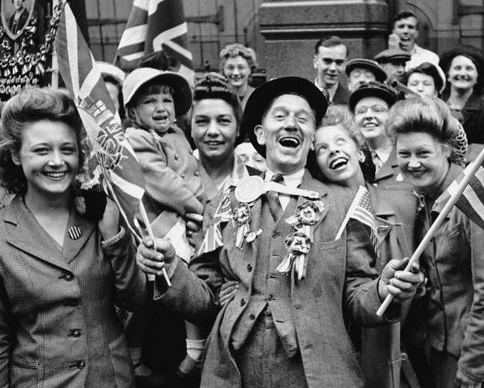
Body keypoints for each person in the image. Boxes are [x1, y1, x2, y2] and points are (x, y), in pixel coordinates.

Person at [136, 76, 423, 388]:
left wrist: (385, 289)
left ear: (312, 138)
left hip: (317, 374)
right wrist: (170, 268)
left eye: (302, 118)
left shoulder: (345, 206)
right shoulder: (226, 203)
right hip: (235, 371)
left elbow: (357, 299)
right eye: (280, 116)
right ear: (261, 133)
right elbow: (204, 298)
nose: (291, 124)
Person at [0, 87, 148, 387]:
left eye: (67, 149)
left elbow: (136, 299)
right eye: (42, 150)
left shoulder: (101, 212)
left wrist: (114, 238)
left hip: (110, 379)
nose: (57, 161)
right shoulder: (3, 231)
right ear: (16, 154)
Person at [387, 96, 484, 388]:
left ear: (445, 150)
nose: (412, 163)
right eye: (404, 154)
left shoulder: (475, 199)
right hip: (445, 350)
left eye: (423, 153)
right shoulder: (423, 196)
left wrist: (472, 371)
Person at [312, 104, 421, 388]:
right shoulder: (315, 218)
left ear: (360, 152)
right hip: (341, 355)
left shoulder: (406, 202)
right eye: (322, 149)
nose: (333, 151)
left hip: (400, 350)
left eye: (339, 142)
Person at [122, 67, 204, 386]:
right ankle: (133, 350)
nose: (161, 107)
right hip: (154, 225)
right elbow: (164, 183)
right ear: (132, 111)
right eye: (150, 101)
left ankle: (193, 346)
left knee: (189, 283)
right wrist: (198, 208)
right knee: (148, 291)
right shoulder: (135, 139)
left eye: (167, 100)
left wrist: (193, 196)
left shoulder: (176, 136)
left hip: (178, 220)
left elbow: (193, 174)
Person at [177, 76, 255, 384]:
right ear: (190, 127)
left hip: (237, 330)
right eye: (202, 121)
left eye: (223, 121)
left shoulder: (257, 182)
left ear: (238, 127)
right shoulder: (170, 179)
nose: (212, 131)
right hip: (172, 326)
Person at [440, 44, 484, 162]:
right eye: (457, 68)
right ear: (447, 76)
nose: (463, 73)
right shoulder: (436, 107)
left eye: (469, 69)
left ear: (477, 77)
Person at [349, 81, 412, 191]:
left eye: (377, 110)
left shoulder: (408, 157)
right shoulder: (350, 161)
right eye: (361, 111)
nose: (368, 116)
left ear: (393, 116)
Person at [313, 35, 350, 104]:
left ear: (345, 65)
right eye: (327, 61)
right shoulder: (301, 99)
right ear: (315, 62)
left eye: (339, 62)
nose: (333, 68)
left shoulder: (352, 102)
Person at [219, 43, 258, 109]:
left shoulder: (258, 97)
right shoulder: (218, 99)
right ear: (223, 70)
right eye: (230, 68)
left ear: (250, 69)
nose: (235, 73)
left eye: (241, 67)